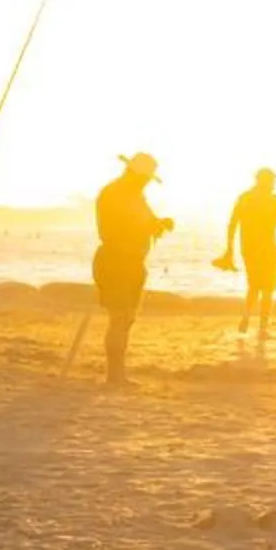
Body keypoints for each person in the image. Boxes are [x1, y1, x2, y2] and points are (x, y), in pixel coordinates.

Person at [89, 152, 171, 387]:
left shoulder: (136, 195)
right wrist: (142, 231)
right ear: (133, 174)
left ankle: (118, 374)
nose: (146, 183)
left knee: (126, 319)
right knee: (119, 317)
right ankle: (114, 376)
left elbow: (147, 222)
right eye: (144, 178)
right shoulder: (113, 193)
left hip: (134, 262)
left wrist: (159, 224)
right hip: (116, 261)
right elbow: (110, 232)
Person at [217, 168, 276, 358]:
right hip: (268, 249)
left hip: (250, 249)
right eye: (272, 181)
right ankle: (262, 327)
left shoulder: (245, 198)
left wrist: (229, 249)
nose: (274, 184)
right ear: (265, 181)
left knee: (254, 286)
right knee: (268, 288)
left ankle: (246, 318)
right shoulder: (272, 200)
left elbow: (232, 224)